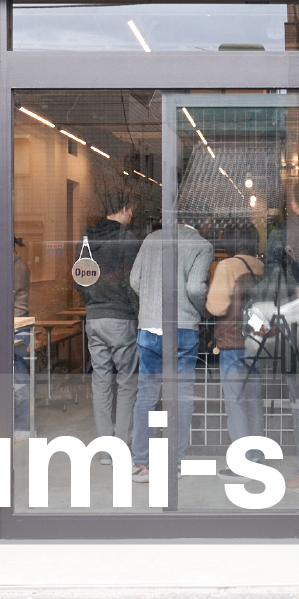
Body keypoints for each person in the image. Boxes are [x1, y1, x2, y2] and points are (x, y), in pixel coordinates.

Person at [128, 196, 214, 482]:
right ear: (205, 221)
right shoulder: (202, 246)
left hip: (149, 328)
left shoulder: (152, 239)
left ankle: (141, 464)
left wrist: (152, 303)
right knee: (180, 397)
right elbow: (196, 288)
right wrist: (201, 311)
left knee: (146, 395)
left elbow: (135, 280)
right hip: (182, 328)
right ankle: (174, 462)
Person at [80, 188, 142, 450]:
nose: (131, 216)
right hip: (121, 319)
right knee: (127, 382)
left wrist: (94, 300)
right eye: (132, 211)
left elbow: (80, 280)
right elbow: (133, 284)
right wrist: (135, 312)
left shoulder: (86, 240)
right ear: (125, 209)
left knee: (101, 382)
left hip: (94, 318)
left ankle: (106, 449)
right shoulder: (128, 239)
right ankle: (122, 445)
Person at [206, 223, 265, 481]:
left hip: (232, 342)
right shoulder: (261, 266)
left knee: (236, 403)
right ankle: (257, 454)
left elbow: (216, 307)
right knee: (253, 400)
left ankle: (243, 463)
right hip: (257, 342)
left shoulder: (227, 266)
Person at [0, 226, 34, 432]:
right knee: (14, 375)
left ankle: (23, 426)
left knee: (18, 377)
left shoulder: (17, 268)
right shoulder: (10, 266)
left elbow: (2, 297)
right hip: (12, 323)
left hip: (17, 324)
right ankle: (15, 425)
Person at [0, 227, 30, 317]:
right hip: (8, 316)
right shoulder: (7, 266)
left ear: (1, 246)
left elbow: (4, 297)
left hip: (15, 317)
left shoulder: (18, 267)